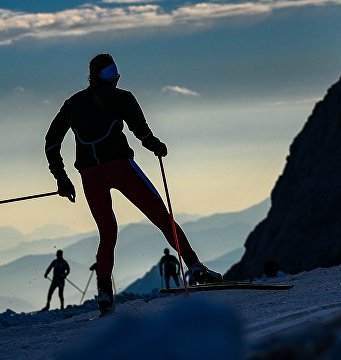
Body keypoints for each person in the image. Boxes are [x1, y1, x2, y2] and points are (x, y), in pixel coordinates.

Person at [44, 53, 222, 315]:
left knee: (108, 233)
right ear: (110, 76)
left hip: (90, 175)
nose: (116, 77)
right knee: (162, 218)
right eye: (113, 72)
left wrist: (61, 177)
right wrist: (157, 147)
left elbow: (51, 142)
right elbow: (143, 133)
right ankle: (194, 266)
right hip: (120, 167)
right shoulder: (123, 98)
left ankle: (104, 293)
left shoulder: (73, 104)